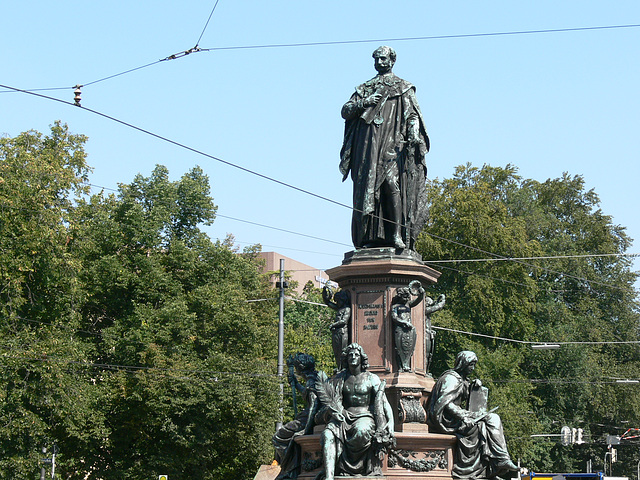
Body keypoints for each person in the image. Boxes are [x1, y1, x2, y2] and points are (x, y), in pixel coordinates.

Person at [339, 46, 430, 251]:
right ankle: (367, 236)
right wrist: (364, 102)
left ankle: (396, 234)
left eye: (383, 59)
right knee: (368, 190)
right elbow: (345, 111)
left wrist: (414, 133)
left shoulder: (403, 87)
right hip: (368, 148)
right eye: (376, 59)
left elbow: (414, 115)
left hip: (392, 146)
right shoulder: (366, 88)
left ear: (392, 60)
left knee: (391, 184)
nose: (379, 62)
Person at [427, 351, 518, 479]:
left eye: (474, 365)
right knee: (483, 425)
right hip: (448, 420)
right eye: (471, 365)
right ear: (463, 364)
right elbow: (445, 404)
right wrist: (464, 417)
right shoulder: (451, 379)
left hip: (457, 416)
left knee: (492, 418)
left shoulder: (461, 379)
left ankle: (500, 460)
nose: (473, 368)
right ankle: (493, 465)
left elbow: (462, 397)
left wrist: (473, 387)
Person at [315, 344, 395, 480]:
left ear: (362, 358)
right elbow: (330, 403)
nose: (353, 357)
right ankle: (329, 477)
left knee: (361, 431)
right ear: (346, 359)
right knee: (328, 434)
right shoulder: (339, 379)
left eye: (356, 355)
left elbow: (384, 402)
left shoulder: (372, 378)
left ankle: (356, 468)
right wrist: (333, 412)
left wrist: (391, 422)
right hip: (343, 416)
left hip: (364, 416)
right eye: (350, 355)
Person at [272, 353, 320, 479]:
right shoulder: (313, 379)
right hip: (306, 417)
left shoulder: (311, 382)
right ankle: (289, 466)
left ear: (300, 368)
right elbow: (306, 393)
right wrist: (295, 383)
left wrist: (306, 429)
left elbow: (313, 406)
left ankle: (290, 467)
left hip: (306, 419)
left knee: (278, 437)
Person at [322, 286, 351, 371]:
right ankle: (339, 368)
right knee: (337, 352)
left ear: (343, 300)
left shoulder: (347, 309)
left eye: (338, 301)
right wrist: (325, 293)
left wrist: (333, 325)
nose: (337, 303)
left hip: (342, 332)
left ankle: (343, 368)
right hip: (336, 333)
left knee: (342, 351)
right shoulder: (340, 308)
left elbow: (344, 321)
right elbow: (327, 303)